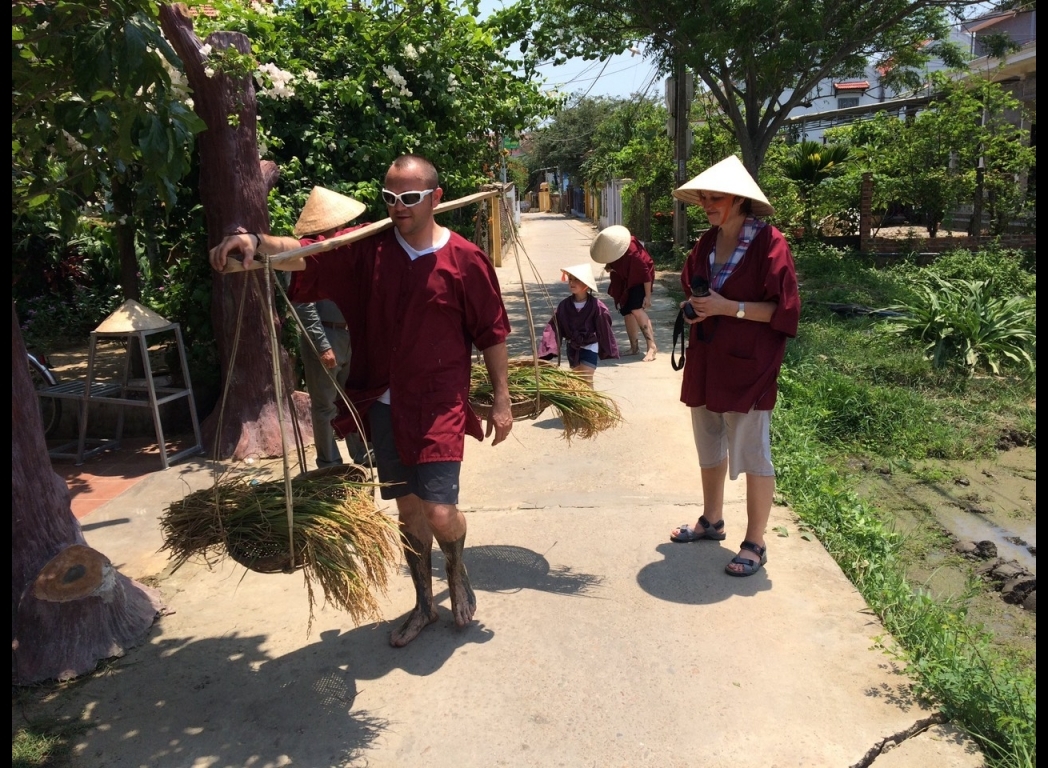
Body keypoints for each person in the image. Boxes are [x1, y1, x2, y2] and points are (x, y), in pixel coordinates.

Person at [209, 155, 514, 645]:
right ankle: (423, 603)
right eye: (389, 198)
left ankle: (456, 571)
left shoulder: (464, 259)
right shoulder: (366, 251)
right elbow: (306, 252)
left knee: (439, 511)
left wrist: (500, 399)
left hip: (438, 403)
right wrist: (256, 243)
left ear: (435, 198)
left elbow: (492, 333)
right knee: (409, 511)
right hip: (383, 403)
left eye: (409, 198)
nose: (398, 208)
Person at [667, 155, 800, 577]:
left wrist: (730, 308)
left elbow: (784, 311)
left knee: (752, 449)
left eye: (715, 197)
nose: (707, 203)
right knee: (708, 440)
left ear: (739, 200)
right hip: (707, 359)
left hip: (750, 365)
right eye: (703, 197)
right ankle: (712, 520)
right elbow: (693, 289)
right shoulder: (706, 242)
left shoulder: (770, 243)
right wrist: (694, 309)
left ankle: (755, 542)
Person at [288, 187, 370, 468]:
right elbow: (303, 304)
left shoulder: (343, 249)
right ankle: (329, 462)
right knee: (325, 405)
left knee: (352, 399)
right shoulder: (306, 253)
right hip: (326, 334)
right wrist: (322, 345)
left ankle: (361, 453)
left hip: (348, 333)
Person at [537, 263, 619, 386]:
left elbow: (604, 327)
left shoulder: (597, 306)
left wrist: (607, 347)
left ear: (586, 284)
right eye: (570, 279)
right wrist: (549, 348)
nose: (572, 283)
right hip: (572, 346)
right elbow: (554, 327)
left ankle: (591, 404)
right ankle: (582, 404)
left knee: (586, 378)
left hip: (590, 345)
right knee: (577, 382)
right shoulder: (564, 306)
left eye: (576, 280)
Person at [589, 225, 658, 361]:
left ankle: (652, 347)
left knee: (636, 309)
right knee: (626, 311)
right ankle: (634, 347)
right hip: (625, 280)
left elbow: (644, 273)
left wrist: (647, 296)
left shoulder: (631, 249)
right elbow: (614, 264)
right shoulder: (612, 251)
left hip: (640, 280)